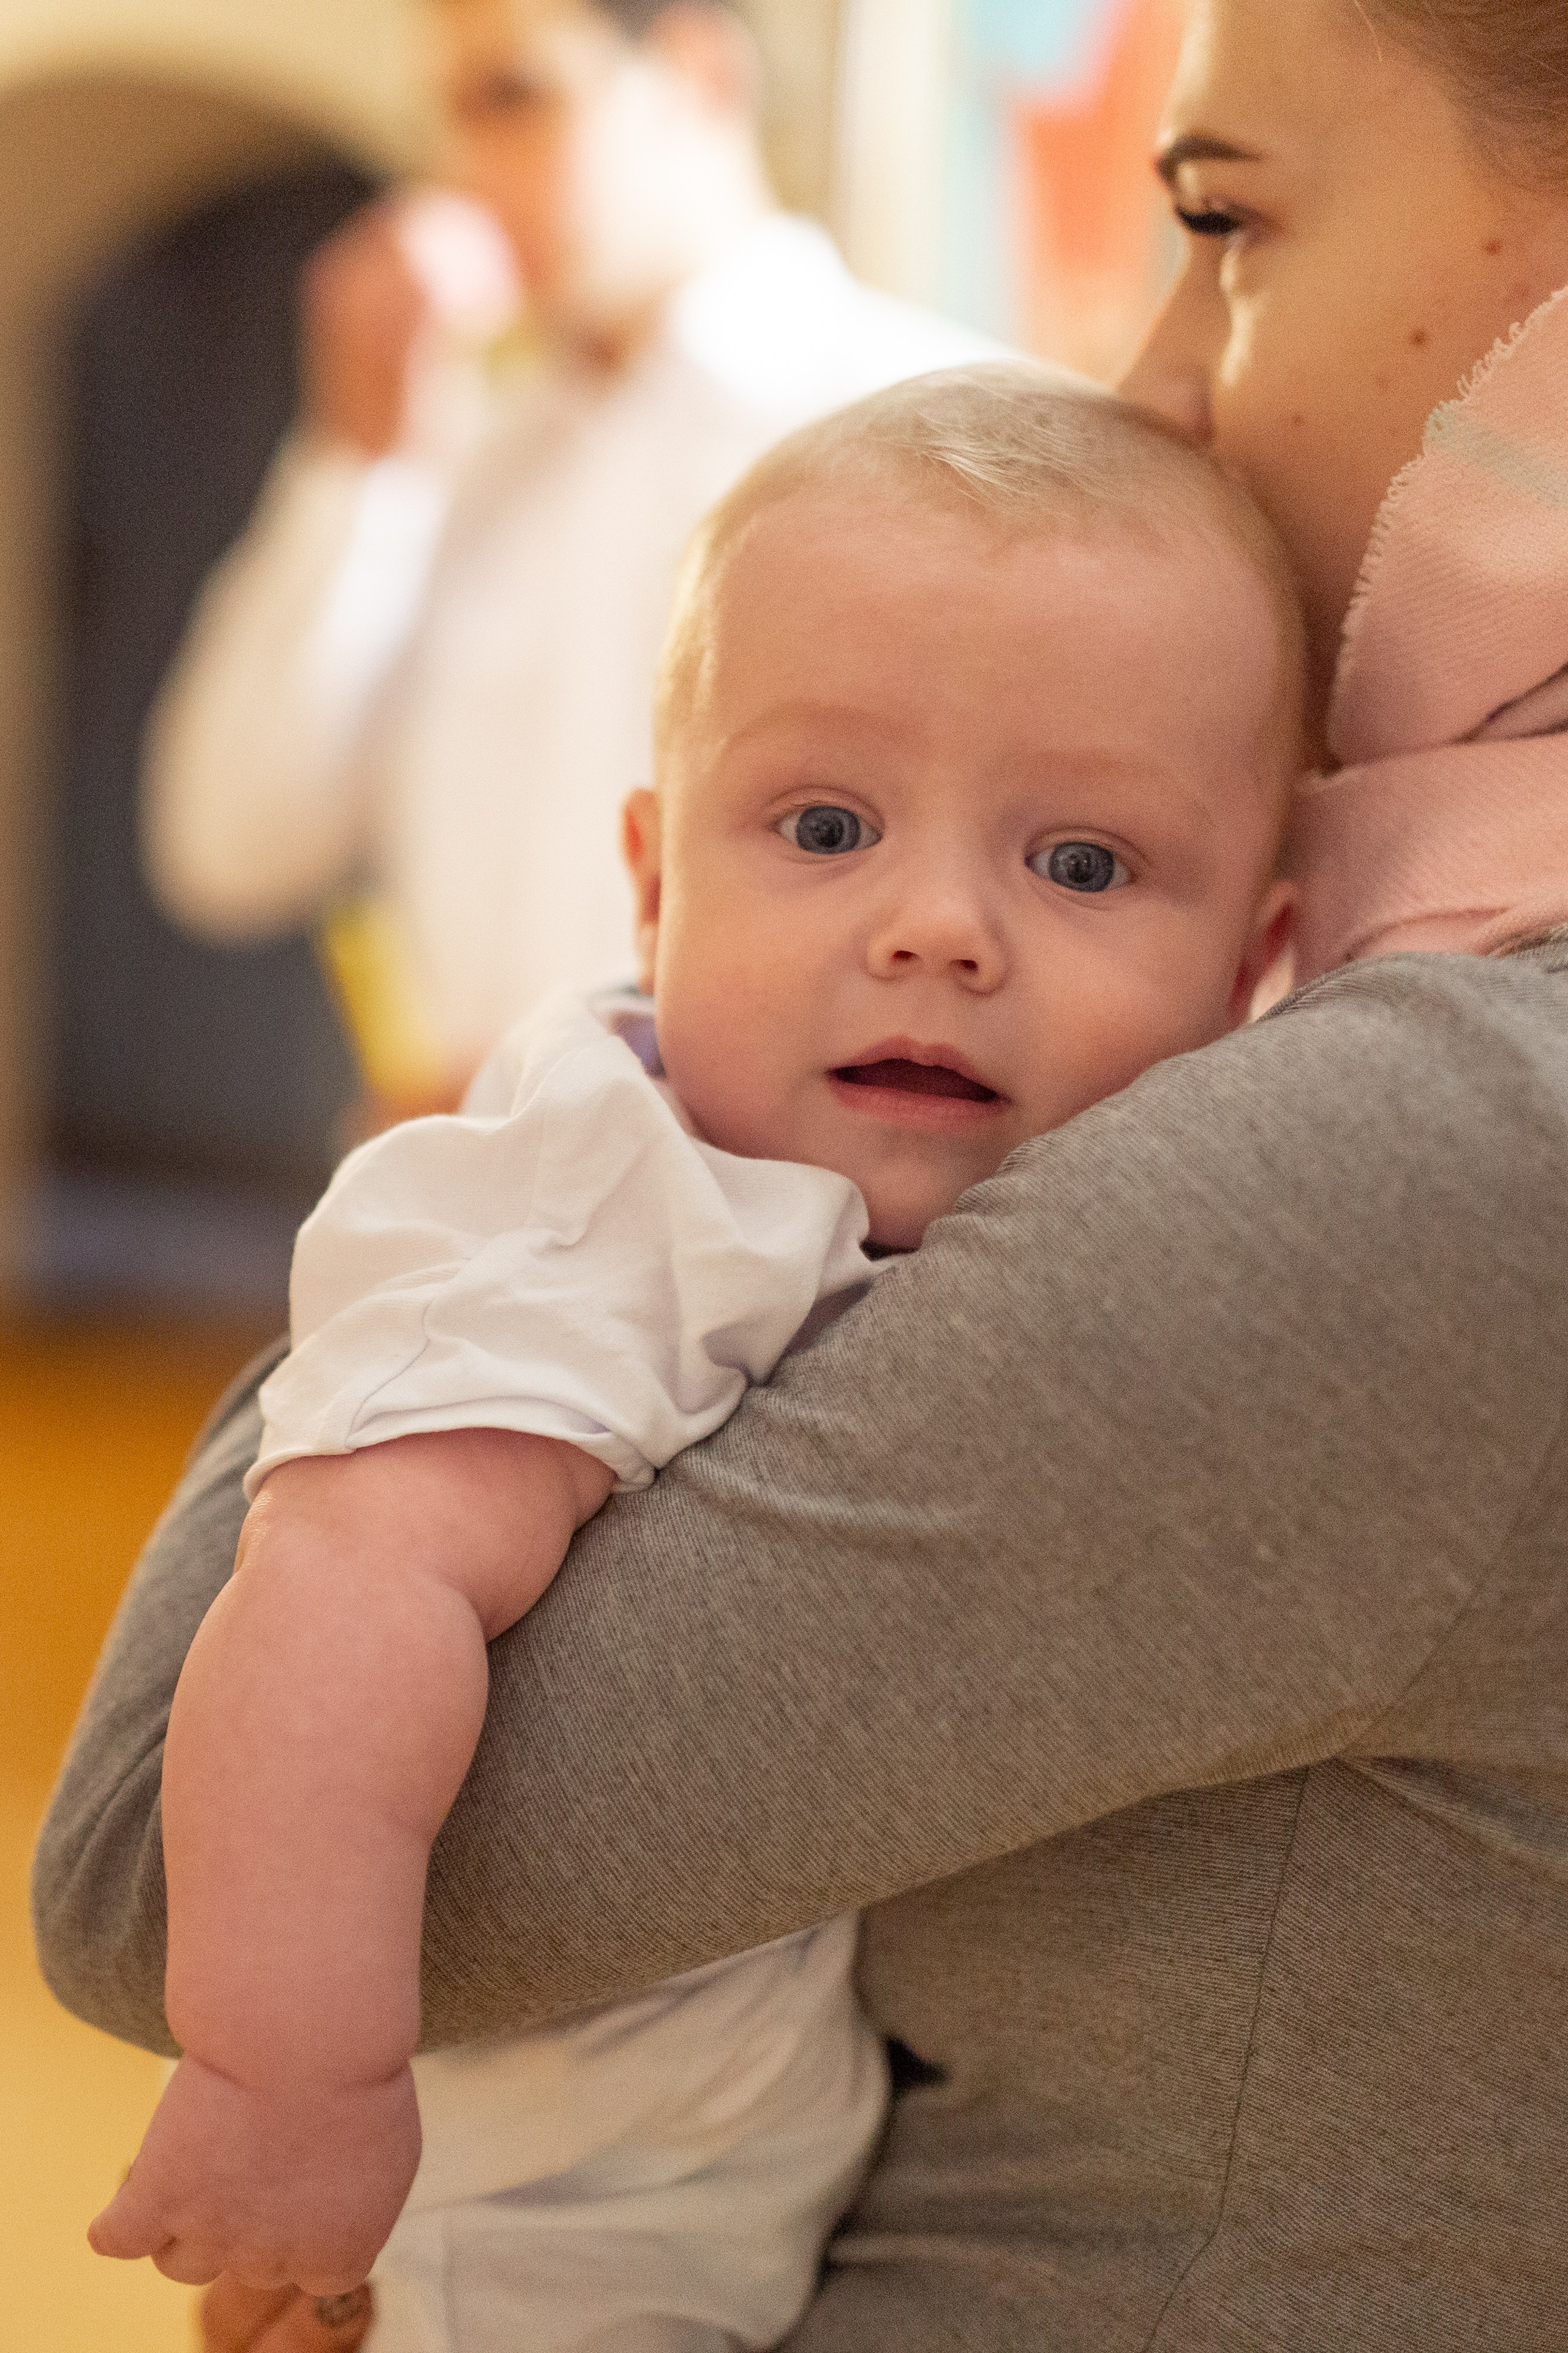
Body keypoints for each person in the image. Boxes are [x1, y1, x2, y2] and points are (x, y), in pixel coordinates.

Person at [32, 0, 1568, 2346]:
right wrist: (544, 1154)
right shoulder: (494, 454)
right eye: (826, 823)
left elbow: (133, 1864)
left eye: (1227, 225)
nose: (1155, 378)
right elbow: (235, 824)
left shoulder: (1438, 1124)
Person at [87, 369, 1301, 2347]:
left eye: (1080, 865)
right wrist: (290, 2085)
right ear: (656, 884)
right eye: (824, 826)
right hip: (525, 2202)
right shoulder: (611, 1206)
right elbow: (343, 1583)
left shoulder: (1050, 1224)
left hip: (729, 2183)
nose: (937, 929)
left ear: (1261, 971)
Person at [141, 0, 995, 1109]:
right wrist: (359, 462)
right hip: (452, 1241)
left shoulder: (944, 433)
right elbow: (228, 851)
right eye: (445, 120)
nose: (461, 175)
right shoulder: (451, 463)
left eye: (513, 99)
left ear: (697, 75)